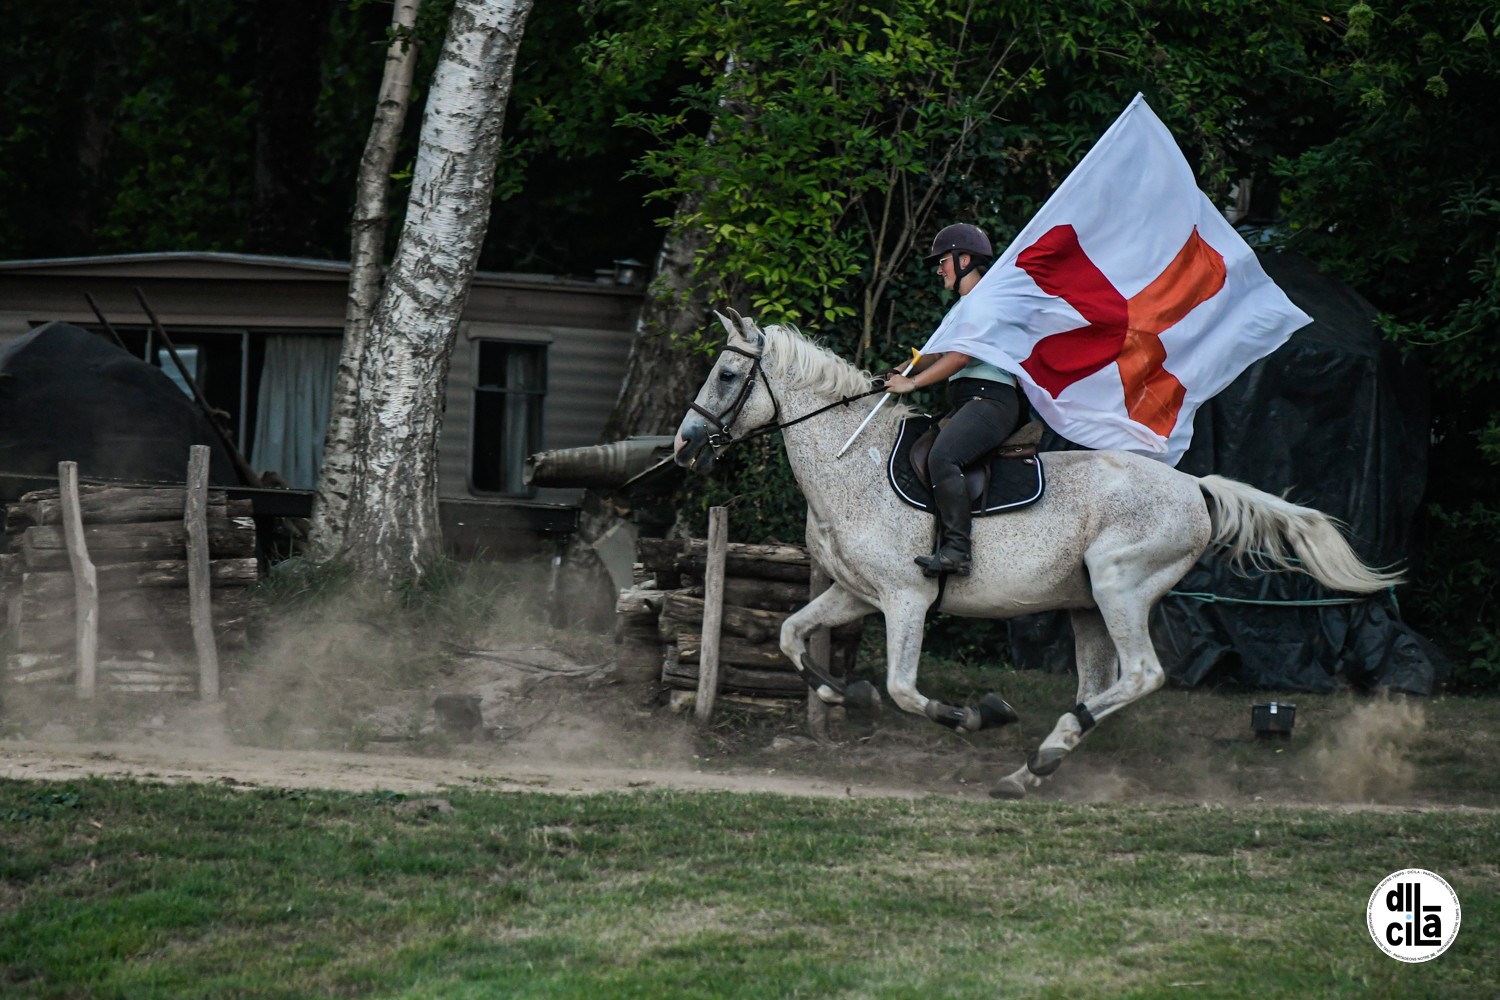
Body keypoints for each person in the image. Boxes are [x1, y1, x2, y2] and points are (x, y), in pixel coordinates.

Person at [884, 223, 1023, 576]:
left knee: (944, 456)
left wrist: (911, 384)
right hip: (968, 401)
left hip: (990, 400)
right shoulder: (961, 308)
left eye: (943, 261)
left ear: (964, 260)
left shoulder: (984, 302)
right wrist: (891, 373)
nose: (939, 269)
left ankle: (958, 550)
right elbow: (933, 353)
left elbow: (959, 357)